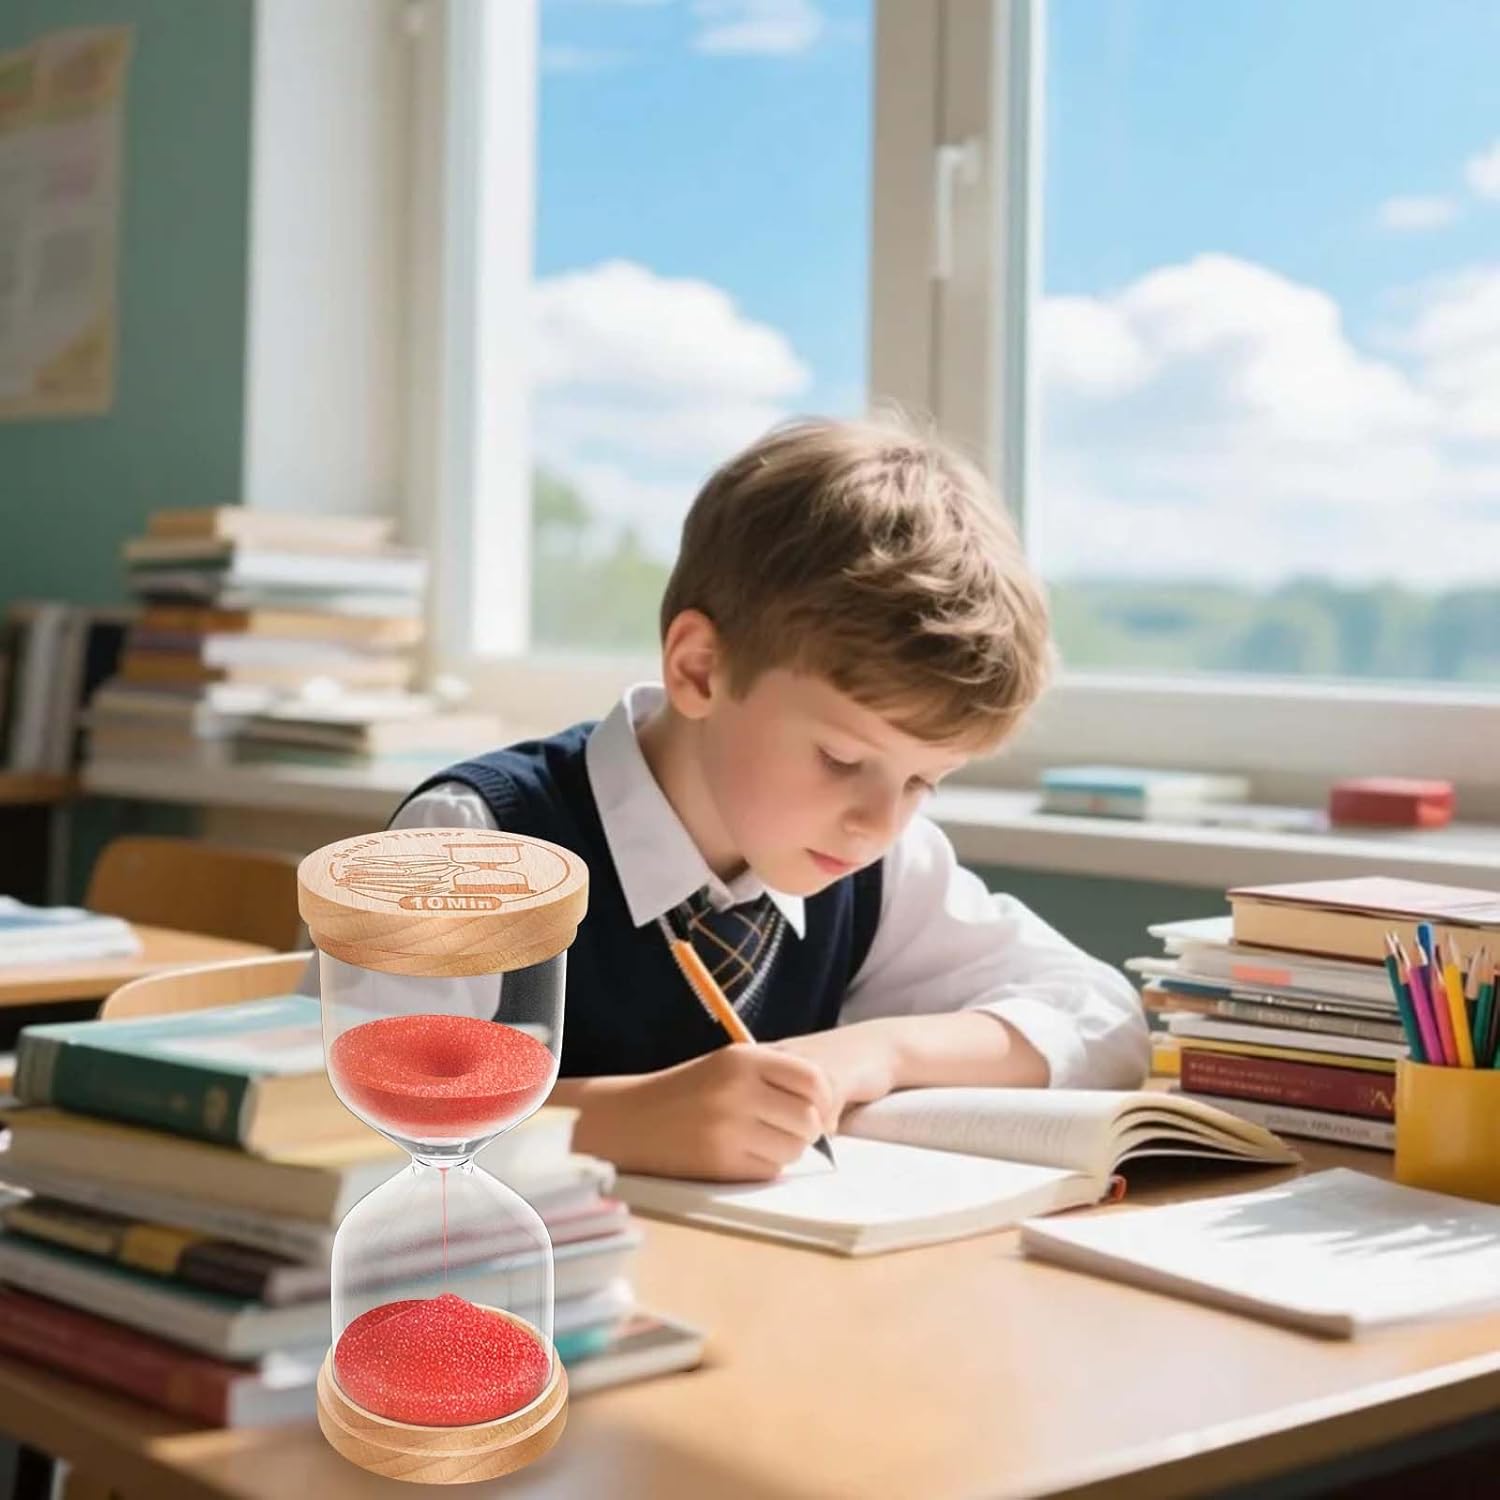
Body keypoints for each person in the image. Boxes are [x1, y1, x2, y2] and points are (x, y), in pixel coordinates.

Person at [393, 416, 1147, 1180]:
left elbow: (1102, 1016)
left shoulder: (874, 864)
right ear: (699, 671)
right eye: (841, 757)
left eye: (924, 781)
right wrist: (617, 1122)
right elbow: (329, 1117)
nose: (880, 822)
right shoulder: (471, 848)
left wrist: (872, 1052)